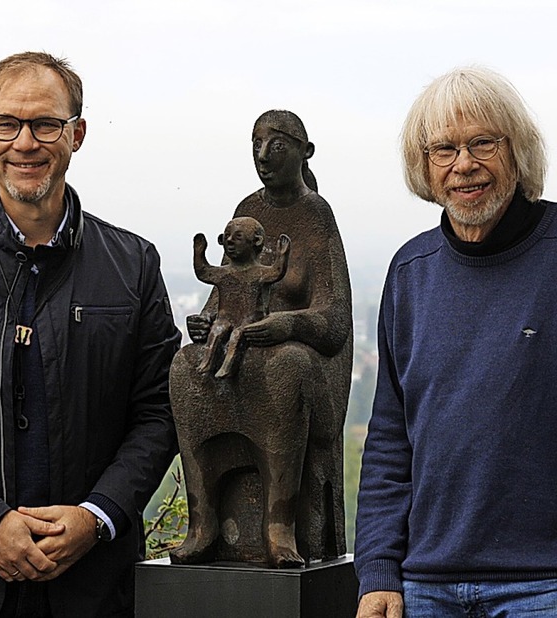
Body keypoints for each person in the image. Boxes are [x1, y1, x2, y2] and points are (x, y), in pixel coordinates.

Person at [0, 51, 180, 617]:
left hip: (93, 588)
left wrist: (98, 515)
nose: (25, 143)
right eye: (5, 124)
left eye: (45, 124)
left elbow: (161, 410)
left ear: (77, 134)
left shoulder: (132, 265)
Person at [354, 66, 556, 617]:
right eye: (443, 149)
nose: (463, 165)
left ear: (517, 151)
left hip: (544, 586)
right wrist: (377, 573)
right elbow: (391, 443)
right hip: (424, 588)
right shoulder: (410, 273)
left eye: (481, 143)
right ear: (425, 167)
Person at [169, 110, 353, 568]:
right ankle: (203, 521)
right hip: (245, 350)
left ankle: (279, 528)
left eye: (276, 145)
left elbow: (334, 321)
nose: (262, 156)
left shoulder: (316, 216)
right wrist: (207, 321)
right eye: (256, 145)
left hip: (299, 363)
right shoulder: (247, 211)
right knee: (184, 365)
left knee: (287, 364)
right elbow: (227, 289)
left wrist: (287, 325)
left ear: (303, 152)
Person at [193, 216, 290, 378]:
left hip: (249, 319)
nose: (230, 241)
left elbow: (276, 272)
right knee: (216, 331)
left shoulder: (258, 273)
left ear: (256, 242)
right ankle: (207, 362)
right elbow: (203, 271)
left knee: (237, 335)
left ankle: (228, 364)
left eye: (238, 237)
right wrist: (199, 253)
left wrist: (283, 256)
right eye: (227, 237)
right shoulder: (224, 273)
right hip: (225, 318)